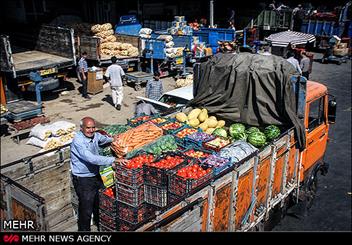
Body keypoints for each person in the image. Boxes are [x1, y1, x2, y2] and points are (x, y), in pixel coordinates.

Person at [70, 117, 123, 231]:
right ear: (81, 128)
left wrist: (113, 139)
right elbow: (91, 158)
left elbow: (102, 139)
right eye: (88, 128)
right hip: (83, 179)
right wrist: (113, 159)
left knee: (99, 203)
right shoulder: (78, 141)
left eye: (93, 127)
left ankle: (100, 226)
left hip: (95, 175)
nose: (91, 130)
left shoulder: (95, 135)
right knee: (86, 208)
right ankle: (84, 232)